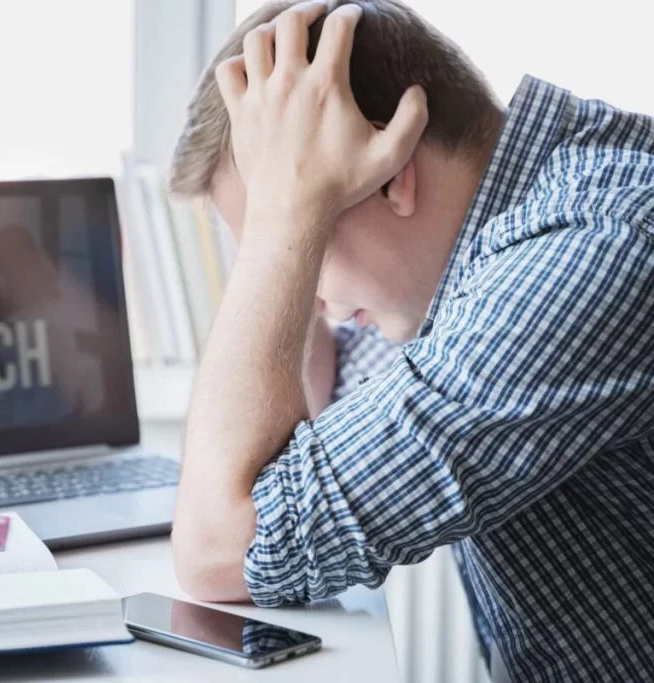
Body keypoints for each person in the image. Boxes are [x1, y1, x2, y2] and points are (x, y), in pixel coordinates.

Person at [167, 0, 654, 681]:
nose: (321, 304)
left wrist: (284, 220)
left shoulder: (588, 255)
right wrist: (290, 223)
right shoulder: (462, 259)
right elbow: (294, 417)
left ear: (393, 172)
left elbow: (221, 546)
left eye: (302, 239)